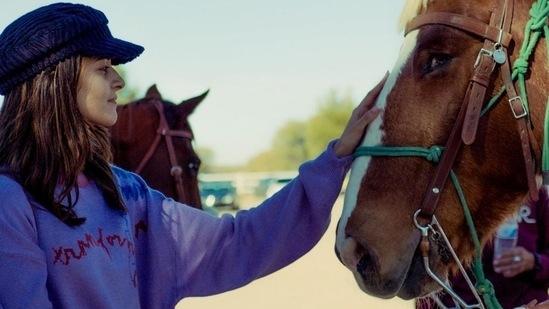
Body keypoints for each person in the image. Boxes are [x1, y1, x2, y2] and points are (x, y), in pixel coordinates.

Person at [0, 3, 385, 308]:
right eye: (103, 68)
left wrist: (335, 158)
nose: (118, 81)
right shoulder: (10, 200)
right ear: (56, 82)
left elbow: (236, 242)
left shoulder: (128, 193)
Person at [416, 181, 549, 309]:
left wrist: (534, 262)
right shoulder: (456, 189)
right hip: (460, 301)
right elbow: (424, 266)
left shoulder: (536, 193)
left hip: (524, 300)